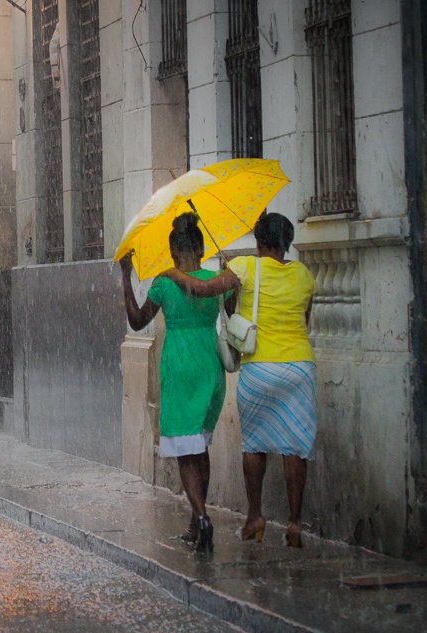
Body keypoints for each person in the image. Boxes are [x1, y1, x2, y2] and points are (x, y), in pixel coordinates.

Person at [160, 212, 317, 548]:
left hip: (260, 367)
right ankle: (293, 524)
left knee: (255, 445)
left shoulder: (247, 267)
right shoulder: (304, 274)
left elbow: (202, 289)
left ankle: (255, 517)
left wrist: (171, 271)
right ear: (286, 242)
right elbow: (305, 319)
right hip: (300, 367)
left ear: (259, 242)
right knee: (296, 447)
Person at [119, 213, 228, 553]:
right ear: (200, 248)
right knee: (200, 445)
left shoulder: (164, 284)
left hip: (179, 365)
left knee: (184, 450)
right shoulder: (217, 279)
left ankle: (201, 518)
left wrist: (126, 276)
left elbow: (137, 322)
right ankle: (197, 520)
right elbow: (235, 311)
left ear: (172, 251)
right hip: (209, 363)